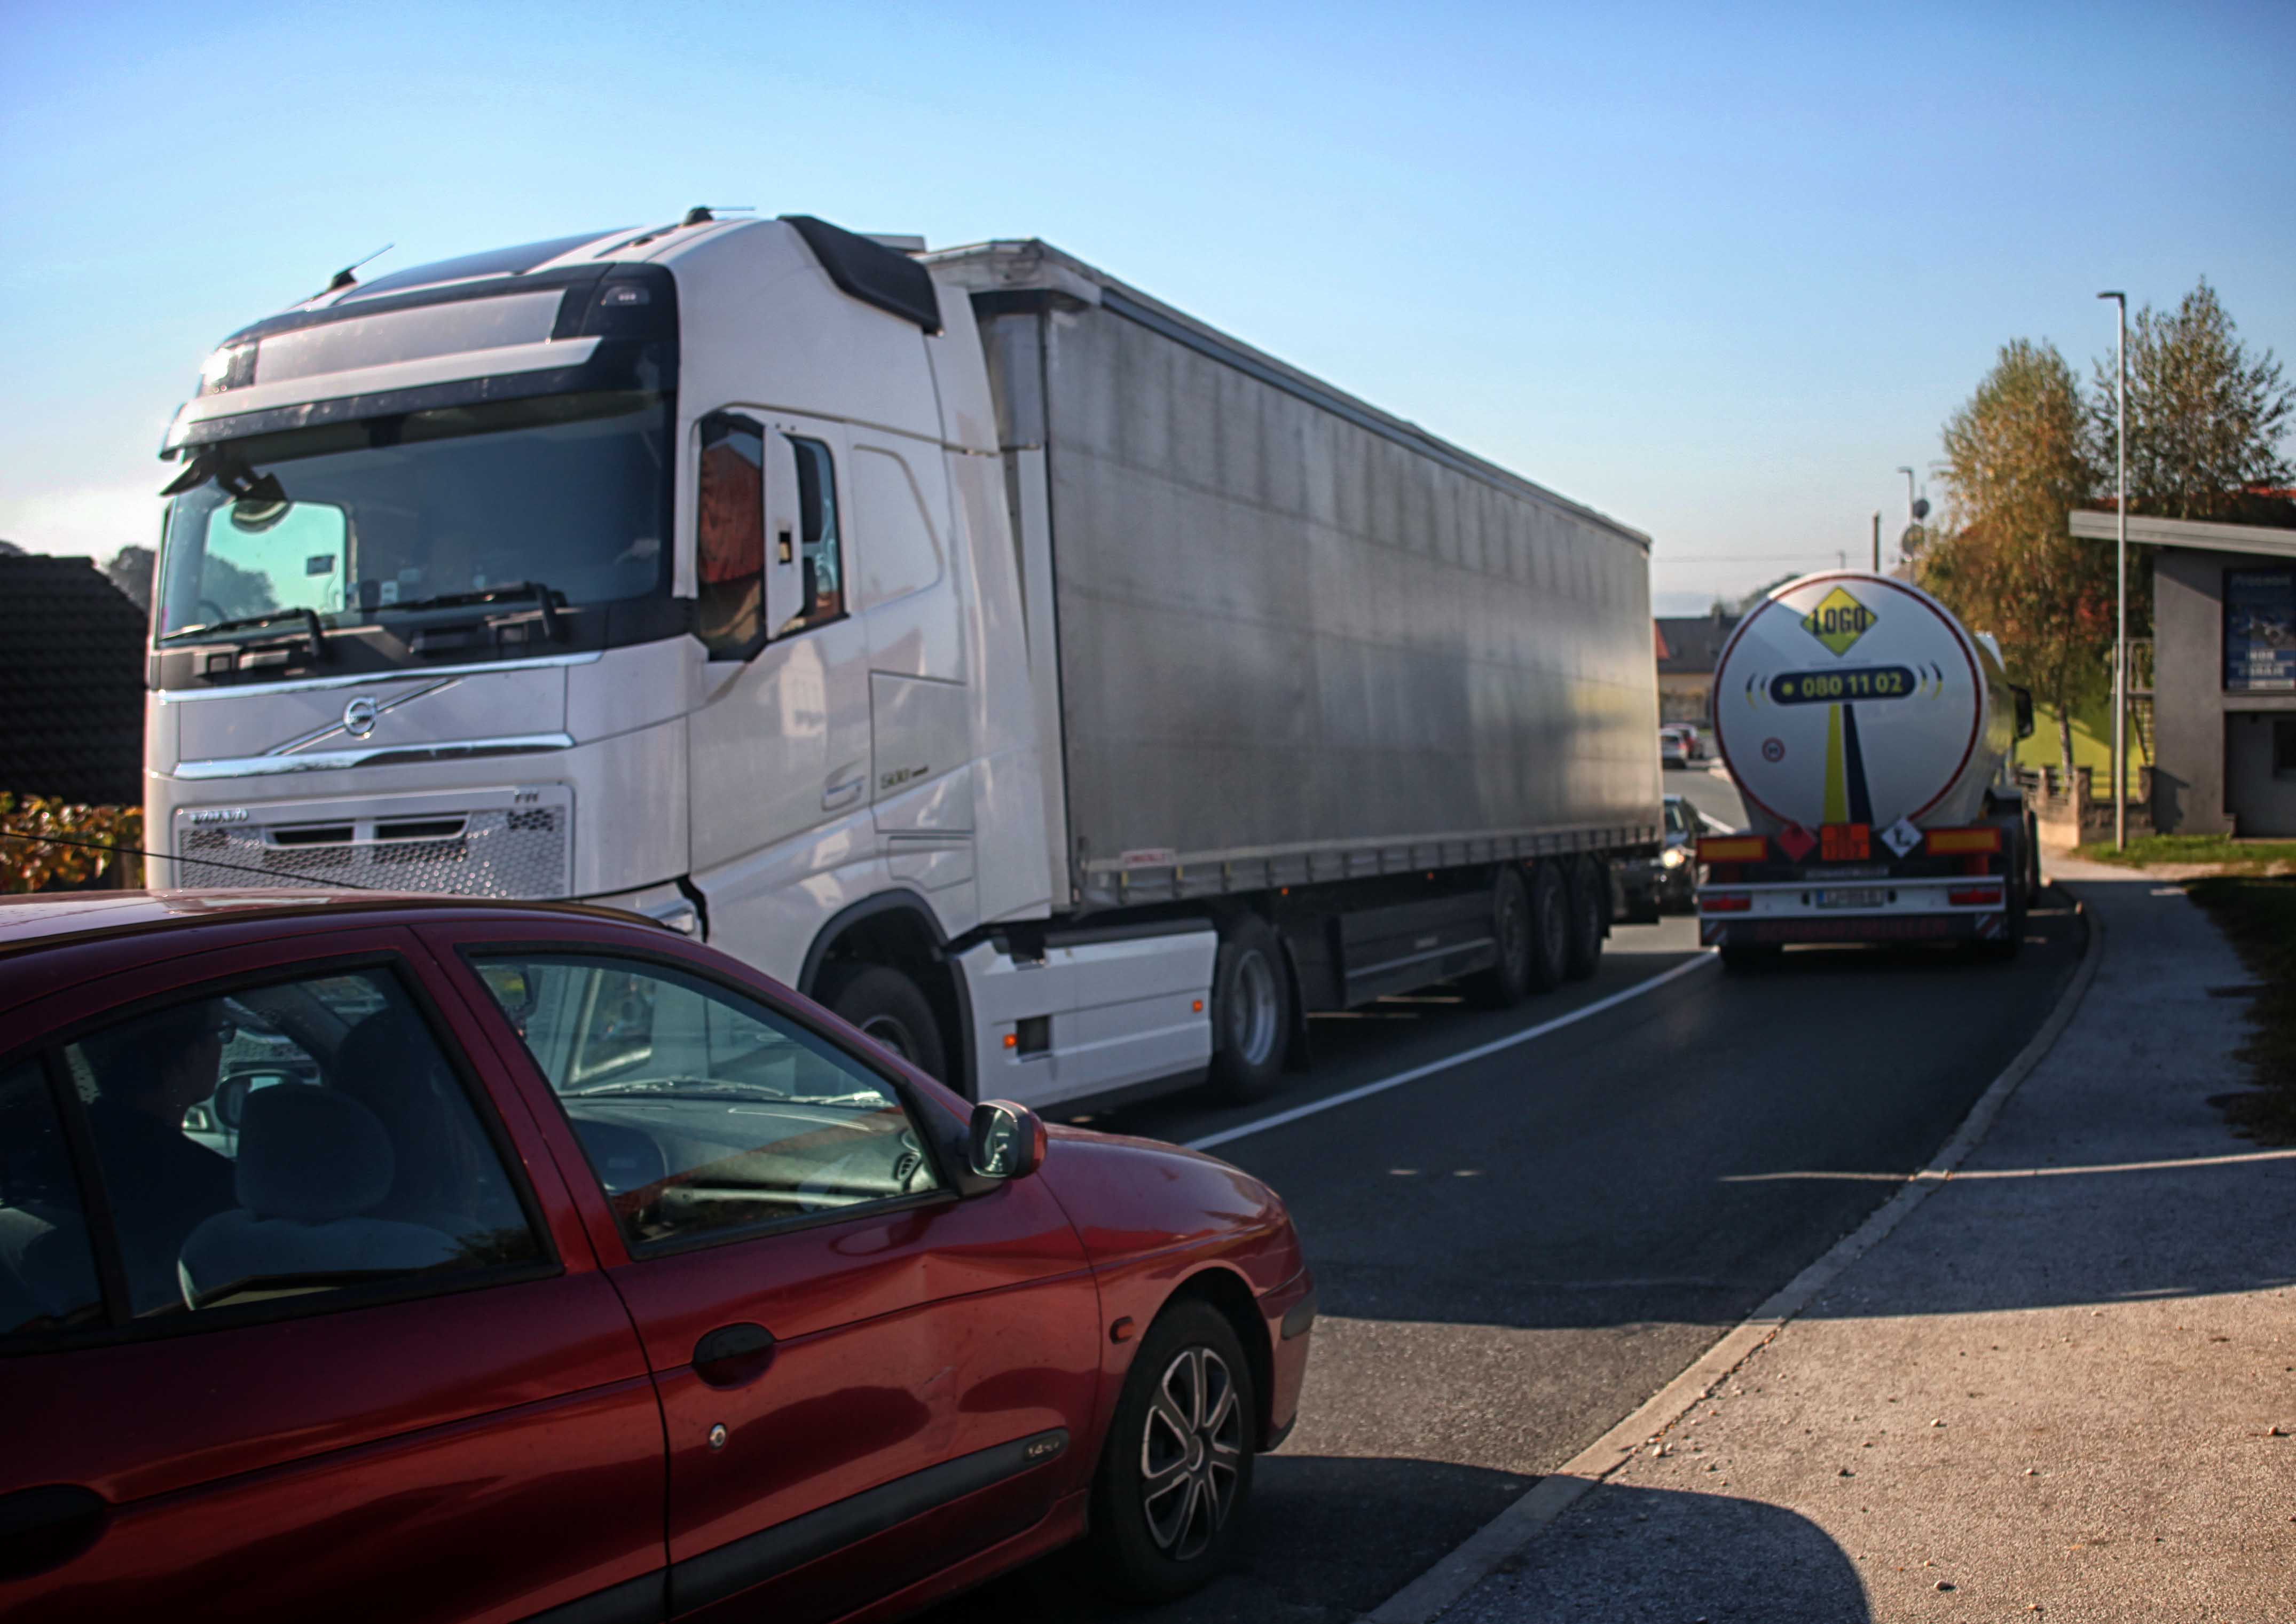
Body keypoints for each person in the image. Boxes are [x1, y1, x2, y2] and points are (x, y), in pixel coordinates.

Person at [79, 1002, 239, 1314]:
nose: (221, 1048)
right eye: (220, 1033)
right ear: (189, 1057)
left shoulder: (75, 1149)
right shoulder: (212, 1189)